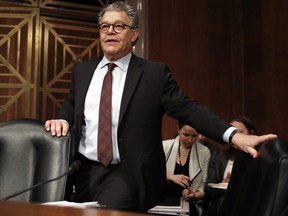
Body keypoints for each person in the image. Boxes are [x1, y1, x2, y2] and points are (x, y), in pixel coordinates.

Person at [44, 1, 277, 213]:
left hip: (127, 173)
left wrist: (233, 136)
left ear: (134, 34)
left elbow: (189, 109)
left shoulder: (154, 74)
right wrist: (63, 118)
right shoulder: (83, 71)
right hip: (83, 171)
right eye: (105, 27)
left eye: (118, 26)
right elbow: (73, 103)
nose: (110, 32)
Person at [204, 116, 256, 216]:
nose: (236, 137)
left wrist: (236, 184)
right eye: (232, 133)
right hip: (219, 207)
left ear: (251, 133)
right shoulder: (218, 156)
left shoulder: (258, 157)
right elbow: (208, 188)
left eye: (240, 132)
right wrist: (223, 184)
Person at [163, 121, 210, 216]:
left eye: (194, 136)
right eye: (186, 135)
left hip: (189, 205)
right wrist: (170, 177)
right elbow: (150, 176)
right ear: (178, 129)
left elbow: (203, 188)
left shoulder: (204, 152)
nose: (190, 140)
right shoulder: (164, 146)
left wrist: (194, 195)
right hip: (163, 202)